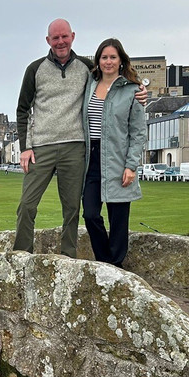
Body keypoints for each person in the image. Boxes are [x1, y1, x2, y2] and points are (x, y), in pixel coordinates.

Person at [14, 19, 146, 258]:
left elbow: (115, 79)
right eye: (55, 38)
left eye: (64, 36)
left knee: (73, 209)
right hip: (41, 147)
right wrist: (25, 147)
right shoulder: (35, 69)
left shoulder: (87, 67)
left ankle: (68, 257)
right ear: (48, 41)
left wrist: (140, 91)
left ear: (72, 36)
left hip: (75, 147)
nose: (61, 42)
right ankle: (21, 255)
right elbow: (23, 109)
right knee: (27, 205)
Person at [80, 38, 147, 268]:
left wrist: (131, 165)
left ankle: (115, 266)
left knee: (118, 220)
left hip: (119, 160)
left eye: (113, 57)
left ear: (121, 61)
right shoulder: (88, 85)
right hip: (92, 159)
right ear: (98, 61)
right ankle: (105, 261)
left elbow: (138, 133)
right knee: (90, 215)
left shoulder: (132, 91)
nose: (108, 62)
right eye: (104, 57)